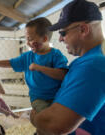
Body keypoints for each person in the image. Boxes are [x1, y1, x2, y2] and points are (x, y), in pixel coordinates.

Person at [30, 0, 105, 135]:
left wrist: (34, 118)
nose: (60, 39)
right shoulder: (88, 60)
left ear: (83, 29)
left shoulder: (93, 65)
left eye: (63, 33)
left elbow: (55, 124)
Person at [0, 18, 68, 115]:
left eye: (30, 39)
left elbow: (62, 74)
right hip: (38, 98)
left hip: (58, 96)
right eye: (26, 39)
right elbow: (11, 63)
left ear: (44, 39)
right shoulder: (28, 56)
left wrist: (39, 68)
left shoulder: (56, 55)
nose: (27, 43)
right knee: (46, 116)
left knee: (60, 116)